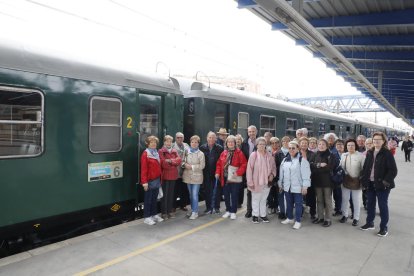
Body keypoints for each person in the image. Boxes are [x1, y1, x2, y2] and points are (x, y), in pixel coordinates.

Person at [360, 132, 397, 237]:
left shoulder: (387, 153)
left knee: (382, 206)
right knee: (370, 204)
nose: (376, 141)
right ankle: (369, 223)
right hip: (370, 183)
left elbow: (393, 170)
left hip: (382, 185)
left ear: (383, 141)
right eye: (374, 139)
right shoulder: (370, 152)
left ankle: (383, 228)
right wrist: (363, 178)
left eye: (379, 139)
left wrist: (385, 182)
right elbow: (366, 167)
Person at [279, 141, 311, 229]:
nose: (291, 150)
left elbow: (306, 175)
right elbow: (282, 173)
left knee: (298, 204)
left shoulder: (302, 160)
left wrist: (305, 187)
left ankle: (298, 221)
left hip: (298, 187)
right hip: (287, 186)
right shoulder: (285, 160)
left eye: (293, 148)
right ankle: (289, 218)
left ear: (298, 149)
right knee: (288, 203)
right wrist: (280, 184)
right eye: (289, 148)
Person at [215, 135, 247, 220]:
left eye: (232, 142)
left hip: (234, 178)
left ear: (235, 143)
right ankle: (228, 210)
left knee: (234, 195)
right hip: (225, 178)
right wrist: (217, 172)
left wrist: (238, 172)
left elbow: (244, 164)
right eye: (229, 142)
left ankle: (233, 212)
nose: (230, 143)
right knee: (226, 195)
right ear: (226, 143)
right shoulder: (224, 153)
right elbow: (219, 164)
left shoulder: (239, 153)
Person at [246, 137, 276, 223]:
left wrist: (272, 175)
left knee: (263, 199)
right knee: (256, 199)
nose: (262, 146)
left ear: (265, 145)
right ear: (257, 145)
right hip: (256, 182)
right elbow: (249, 169)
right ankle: (255, 215)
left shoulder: (269, 155)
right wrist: (250, 182)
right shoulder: (253, 155)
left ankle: (263, 215)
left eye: (263, 144)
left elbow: (273, 167)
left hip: (267, 182)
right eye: (260, 144)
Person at [339, 139, 365, 227]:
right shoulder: (344, 155)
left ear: (355, 146)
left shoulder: (361, 156)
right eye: (348, 145)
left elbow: (363, 169)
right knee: (345, 199)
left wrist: (361, 179)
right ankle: (345, 215)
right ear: (346, 146)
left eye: (352, 145)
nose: (350, 147)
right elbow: (341, 167)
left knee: (356, 200)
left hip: (356, 181)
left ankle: (356, 218)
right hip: (345, 180)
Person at [311, 139, 336, 227]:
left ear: (326, 146)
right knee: (319, 200)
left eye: (323, 144)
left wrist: (318, 168)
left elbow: (330, 167)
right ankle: (320, 217)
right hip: (317, 181)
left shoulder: (331, 155)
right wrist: (319, 165)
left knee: (327, 200)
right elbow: (311, 165)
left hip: (327, 182)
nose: (321, 146)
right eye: (320, 144)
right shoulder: (314, 154)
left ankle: (328, 219)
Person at [140, 136, 164, 225]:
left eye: (155, 142)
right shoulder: (145, 154)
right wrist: (144, 182)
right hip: (149, 181)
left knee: (154, 199)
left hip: (157, 180)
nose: (154, 144)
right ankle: (147, 217)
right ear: (148, 144)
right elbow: (143, 169)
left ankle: (154, 215)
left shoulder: (156, 153)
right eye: (152, 142)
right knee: (148, 199)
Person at [182, 135, 205, 220]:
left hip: (197, 178)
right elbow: (182, 161)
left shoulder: (201, 154)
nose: (194, 144)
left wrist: (191, 167)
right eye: (192, 142)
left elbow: (202, 165)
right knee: (191, 195)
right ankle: (192, 210)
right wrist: (184, 164)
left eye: (196, 142)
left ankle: (195, 212)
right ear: (190, 143)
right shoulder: (186, 151)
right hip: (188, 177)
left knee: (195, 195)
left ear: (198, 143)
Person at [200, 132, 224, 214]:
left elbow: (221, 162)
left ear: (216, 139)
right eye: (210, 137)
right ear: (207, 138)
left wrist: (219, 172)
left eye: (213, 138)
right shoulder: (202, 148)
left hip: (216, 173)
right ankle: (208, 207)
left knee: (217, 190)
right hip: (206, 173)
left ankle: (216, 207)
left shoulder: (220, 148)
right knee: (207, 191)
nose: (211, 139)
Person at [159, 135, 182, 220]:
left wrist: (170, 161)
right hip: (165, 176)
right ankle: (164, 213)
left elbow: (179, 161)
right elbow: (163, 164)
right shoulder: (161, 151)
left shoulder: (174, 151)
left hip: (173, 176)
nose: (169, 143)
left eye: (170, 141)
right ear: (164, 142)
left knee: (171, 195)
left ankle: (169, 211)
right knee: (164, 195)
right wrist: (173, 162)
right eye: (167, 141)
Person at [241, 125, 258, 218]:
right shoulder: (244, 144)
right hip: (248, 171)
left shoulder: (260, 142)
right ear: (248, 133)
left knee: (258, 192)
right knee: (249, 191)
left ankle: (257, 210)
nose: (251, 133)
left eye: (253, 131)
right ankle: (249, 210)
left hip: (258, 170)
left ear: (256, 132)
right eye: (250, 132)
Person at [299, 137, 316, 220]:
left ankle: (313, 213)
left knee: (311, 197)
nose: (304, 144)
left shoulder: (312, 154)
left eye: (306, 143)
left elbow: (312, 166)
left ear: (308, 144)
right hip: (299, 179)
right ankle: (300, 212)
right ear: (299, 144)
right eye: (302, 143)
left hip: (310, 178)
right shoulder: (296, 153)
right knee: (300, 198)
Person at [172, 132, 190, 212]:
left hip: (185, 171)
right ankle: (173, 206)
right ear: (175, 138)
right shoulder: (172, 146)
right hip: (175, 171)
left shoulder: (186, 145)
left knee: (184, 189)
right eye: (178, 137)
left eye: (181, 137)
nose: (180, 139)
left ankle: (183, 205)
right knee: (174, 190)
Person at [325, 133, 341, 216]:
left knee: (337, 194)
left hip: (335, 175)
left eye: (332, 139)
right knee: (328, 194)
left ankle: (338, 209)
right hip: (326, 175)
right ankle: (328, 210)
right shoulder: (324, 148)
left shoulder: (336, 149)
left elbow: (338, 162)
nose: (330, 140)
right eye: (329, 138)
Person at [275, 136, 290, 220]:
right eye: (284, 141)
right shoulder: (278, 153)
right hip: (280, 177)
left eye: (287, 141)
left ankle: (288, 212)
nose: (285, 143)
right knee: (280, 195)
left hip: (289, 178)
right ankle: (282, 212)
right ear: (282, 143)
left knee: (288, 196)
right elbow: (275, 165)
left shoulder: (292, 152)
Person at [267, 137, 280, 214]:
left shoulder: (281, 151)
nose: (274, 144)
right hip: (270, 174)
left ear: (278, 143)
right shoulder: (267, 151)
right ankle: (270, 206)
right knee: (270, 192)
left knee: (277, 192)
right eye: (272, 143)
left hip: (278, 174)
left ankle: (276, 206)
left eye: (276, 142)